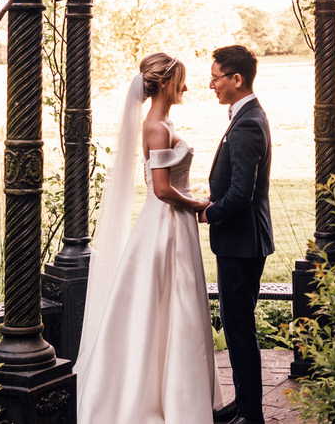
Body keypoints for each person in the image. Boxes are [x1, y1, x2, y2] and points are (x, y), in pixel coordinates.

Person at [75, 53, 227, 424]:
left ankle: (173, 390)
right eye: (182, 81)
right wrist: (196, 203)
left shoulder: (164, 122)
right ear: (165, 83)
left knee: (172, 304)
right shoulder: (157, 127)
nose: (188, 87)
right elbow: (160, 189)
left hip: (173, 223)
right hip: (167, 225)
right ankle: (163, 399)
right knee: (169, 304)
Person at [201, 44, 273, 424]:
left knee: (240, 327)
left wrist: (210, 211)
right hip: (242, 242)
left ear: (236, 79)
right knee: (237, 324)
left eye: (215, 77)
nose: (211, 84)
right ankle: (245, 404)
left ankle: (251, 414)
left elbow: (242, 193)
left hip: (242, 243)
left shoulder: (247, 123)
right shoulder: (245, 117)